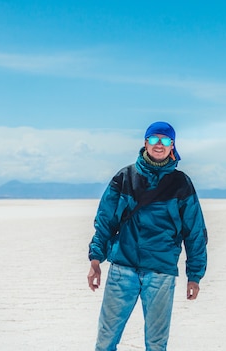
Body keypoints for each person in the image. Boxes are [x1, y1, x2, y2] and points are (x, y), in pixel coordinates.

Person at [87, 121, 208, 351]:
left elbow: (195, 232)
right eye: (154, 139)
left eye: (165, 140)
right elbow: (105, 220)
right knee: (105, 341)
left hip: (160, 272)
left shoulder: (181, 183)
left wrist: (195, 275)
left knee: (156, 344)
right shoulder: (125, 177)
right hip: (123, 268)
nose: (159, 144)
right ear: (145, 143)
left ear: (172, 146)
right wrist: (95, 260)